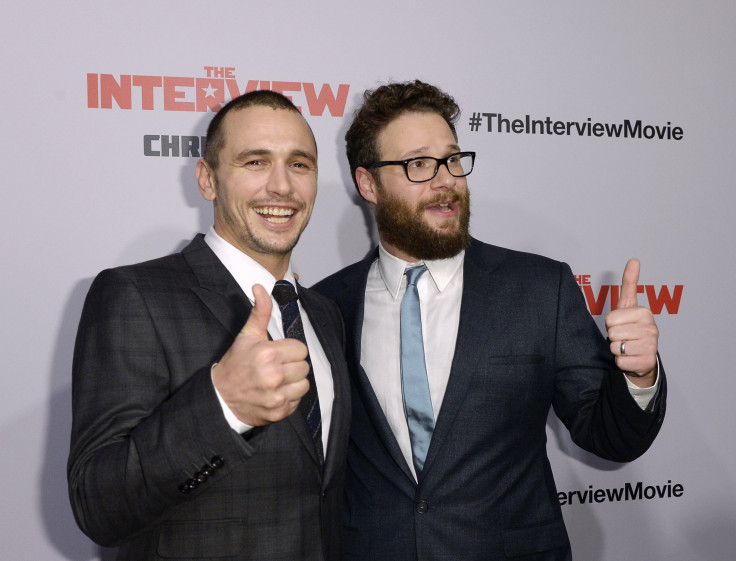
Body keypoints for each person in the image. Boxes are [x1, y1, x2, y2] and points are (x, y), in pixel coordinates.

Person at [313, 80, 666, 561]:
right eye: (419, 164)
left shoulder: (541, 288)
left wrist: (640, 375)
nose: (446, 181)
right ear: (368, 183)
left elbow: (610, 436)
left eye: (453, 160)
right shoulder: (325, 304)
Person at [68, 90, 350, 561]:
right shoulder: (135, 295)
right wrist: (223, 405)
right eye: (255, 162)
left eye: (299, 164)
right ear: (207, 179)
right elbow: (98, 507)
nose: (282, 186)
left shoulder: (322, 313)